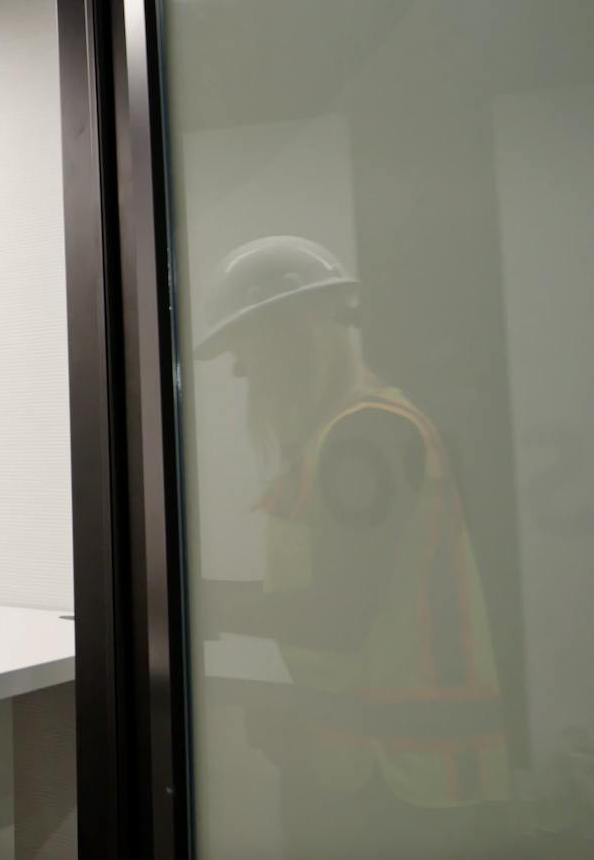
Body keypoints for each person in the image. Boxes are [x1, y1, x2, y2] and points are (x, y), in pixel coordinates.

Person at [196, 236, 509, 859]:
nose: (239, 373)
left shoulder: (367, 437)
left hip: (409, 783)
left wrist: (192, 605)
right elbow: (336, 599)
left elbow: (336, 617)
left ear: (287, 336)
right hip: (368, 768)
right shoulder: (342, 437)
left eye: (244, 351)